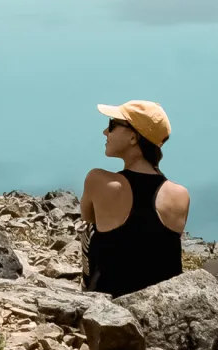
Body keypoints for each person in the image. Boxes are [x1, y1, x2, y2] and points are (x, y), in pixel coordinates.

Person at [81, 99, 189, 297]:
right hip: (164, 308)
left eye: (112, 126)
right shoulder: (180, 194)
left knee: (89, 231)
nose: (105, 132)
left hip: (111, 308)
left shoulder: (98, 180)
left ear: (133, 138)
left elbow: (87, 218)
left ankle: (89, 293)